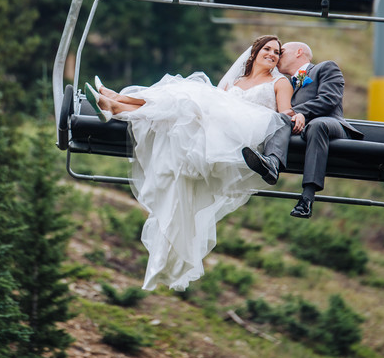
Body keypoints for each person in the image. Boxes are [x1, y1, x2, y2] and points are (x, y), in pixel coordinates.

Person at [84, 36, 291, 291]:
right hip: (218, 126)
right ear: (255, 52)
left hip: (243, 130)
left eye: (277, 52)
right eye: (267, 49)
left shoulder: (280, 82)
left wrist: (298, 116)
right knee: (178, 106)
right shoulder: (237, 81)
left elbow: (283, 116)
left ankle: (117, 103)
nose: (272, 53)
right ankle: (114, 104)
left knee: (189, 93)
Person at [241, 41, 363, 219]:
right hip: (299, 128)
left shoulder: (325, 68)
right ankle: (272, 164)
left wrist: (300, 113)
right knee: (279, 118)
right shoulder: (285, 83)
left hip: (331, 124)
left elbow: (329, 98)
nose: (277, 56)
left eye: (281, 52)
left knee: (317, 125)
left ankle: (307, 198)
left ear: (298, 52)